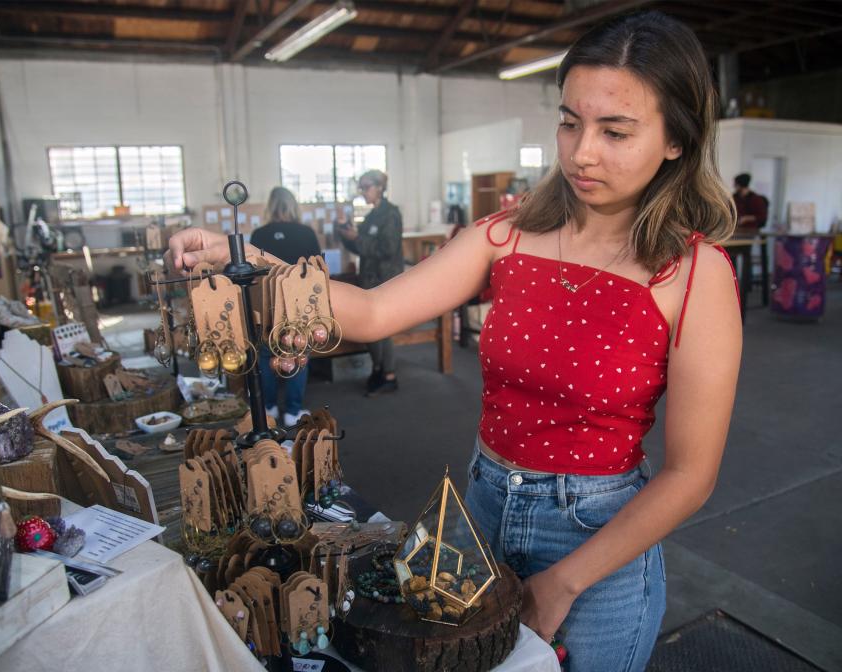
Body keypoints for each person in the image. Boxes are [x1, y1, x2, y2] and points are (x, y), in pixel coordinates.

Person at [167, 11, 742, 671]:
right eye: (569, 122)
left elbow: (689, 476)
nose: (582, 152)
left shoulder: (695, 277)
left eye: (615, 131)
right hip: (483, 515)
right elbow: (375, 311)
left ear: (676, 140)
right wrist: (245, 260)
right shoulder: (511, 232)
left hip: (599, 539)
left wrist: (565, 581)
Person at [249, 186, 321, 426]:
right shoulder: (306, 233)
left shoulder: (258, 235)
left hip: (267, 303)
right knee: (298, 351)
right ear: (293, 205)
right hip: (298, 303)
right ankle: (292, 411)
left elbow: (250, 273)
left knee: (266, 353)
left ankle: (268, 407)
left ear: (269, 206)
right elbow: (317, 272)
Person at [336, 169, 404, 396]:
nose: (362, 192)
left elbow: (388, 249)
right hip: (370, 279)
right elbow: (360, 248)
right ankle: (379, 370)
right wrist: (346, 232)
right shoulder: (372, 216)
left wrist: (359, 238)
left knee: (382, 329)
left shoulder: (390, 214)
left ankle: (389, 375)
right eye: (361, 187)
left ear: (379, 188)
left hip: (385, 280)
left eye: (366, 187)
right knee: (374, 329)